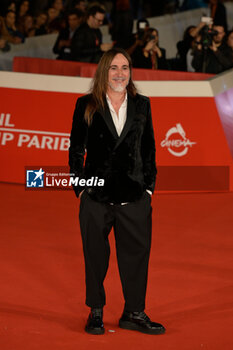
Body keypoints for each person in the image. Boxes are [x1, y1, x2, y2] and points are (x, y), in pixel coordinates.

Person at [69, 47, 166, 335]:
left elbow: (149, 148)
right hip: (96, 197)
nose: (120, 73)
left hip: (134, 197)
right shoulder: (86, 104)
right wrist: (80, 189)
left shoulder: (142, 104)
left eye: (124, 68)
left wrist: (148, 188)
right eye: (113, 68)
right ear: (103, 71)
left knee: (136, 256)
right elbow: (76, 150)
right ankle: (95, 311)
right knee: (95, 256)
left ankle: (134, 312)